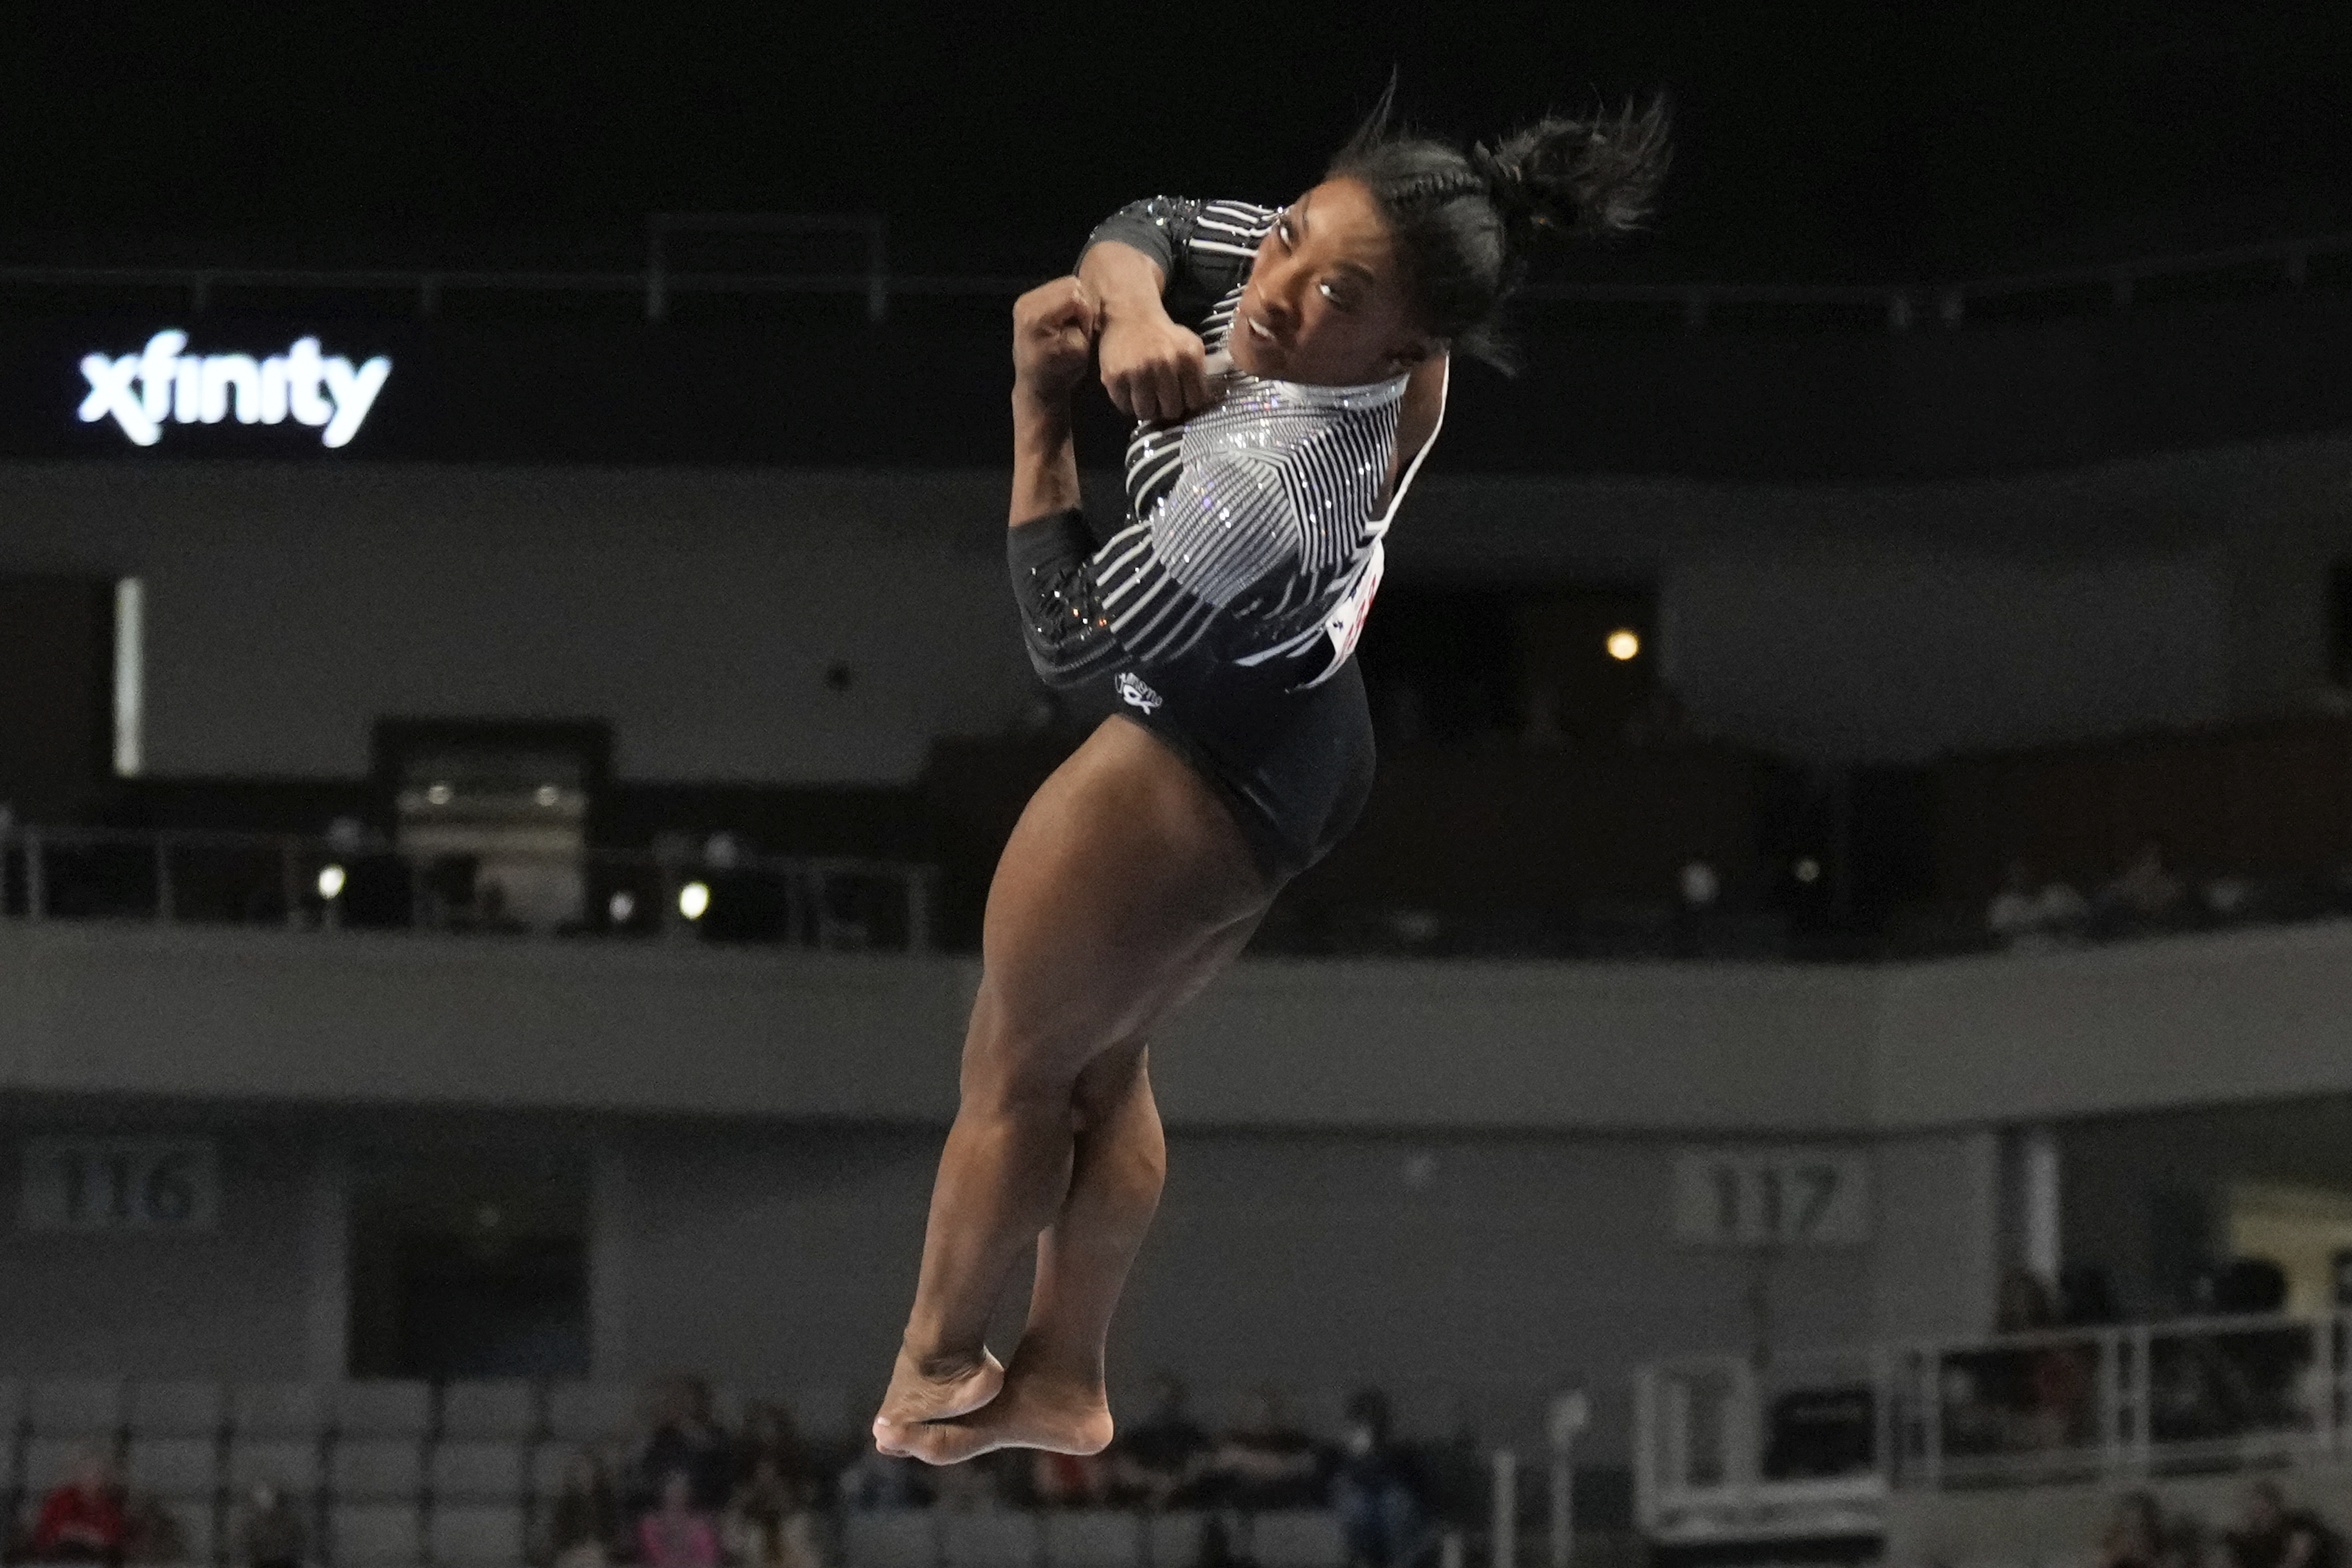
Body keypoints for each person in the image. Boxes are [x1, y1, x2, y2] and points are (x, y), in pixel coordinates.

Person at [870, 80, 1671, 1468]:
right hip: (1308, 725)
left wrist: (1040, 413)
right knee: (1104, 1062)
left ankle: (936, 1364)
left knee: (1016, 1064)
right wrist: (1131, 308)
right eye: (1293, 236)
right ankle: (1061, 1377)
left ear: (1408, 340)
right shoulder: (1311, 281)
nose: (1278, 287)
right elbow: (1155, 223)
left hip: (1208, 759)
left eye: (1331, 290)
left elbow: (1071, 644)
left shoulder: (1278, 487)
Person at [1331, 1390, 1426, 1568]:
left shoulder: (1403, 1453)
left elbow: (1417, 1486)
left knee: (1396, 1507)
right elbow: (1337, 1482)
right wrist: (1356, 1455)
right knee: (1355, 1509)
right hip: (1357, 1502)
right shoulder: (1340, 1453)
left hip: (1392, 1508)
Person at [1106, 1374, 1213, 1510]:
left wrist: (1175, 1482)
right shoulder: (1137, 1436)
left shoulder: (1193, 1434)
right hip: (1141, 1494)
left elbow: (1202, 1460)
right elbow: (1125, 1462)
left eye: (1169, 1397)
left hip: (1186, 1496)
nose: (1164, 1404)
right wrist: (1150, 1481)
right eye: (1158, 1398)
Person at [29, 1451, 127, 1562]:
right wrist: (73, 1533)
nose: (91, 1479)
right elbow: (45, 1534)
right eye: (87, 1473)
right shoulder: (60, 1501)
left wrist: (92, 1537)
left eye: (97, 1475)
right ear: (78, 1475)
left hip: (97, 1560)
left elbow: (113, 1540)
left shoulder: (108, 1508)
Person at [2225, 1481, 2341, 1568]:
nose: (2262, 1516)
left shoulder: (2297, 1525)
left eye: (2265, 1509)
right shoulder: (2248, 1543)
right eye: (2257, 1512)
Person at [538, 1450, 624, 1568]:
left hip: (598, 1551)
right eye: (578, 1472)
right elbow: (556, 1536)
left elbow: (612, 1536)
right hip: (572, 1552)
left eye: (587, 1471)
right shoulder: (566, 1505)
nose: (582, 1476)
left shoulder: (606, 1503)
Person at [635, 1472, 721, 1568]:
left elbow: (708, 1562)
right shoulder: (650, 1527)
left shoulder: (701, 1530)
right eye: (670, 1494)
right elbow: (655, 1560)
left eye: (680, 1493)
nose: (675, 1497)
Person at [235, 1482, 307, 1568]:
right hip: (259, 1563)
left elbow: (295, 1543)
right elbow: (244, 1546)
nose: (264, 1500)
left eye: (267, 1495)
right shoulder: (250, 1522)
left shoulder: (287, 1521)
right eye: (261, 1495)